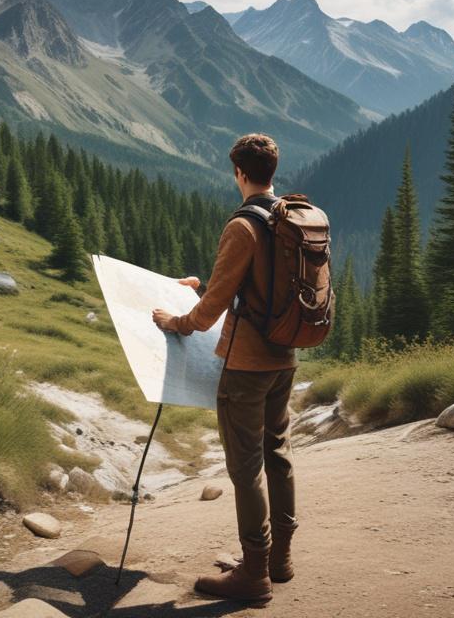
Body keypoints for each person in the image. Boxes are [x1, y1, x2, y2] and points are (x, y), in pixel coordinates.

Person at [152, 133, 297, 605]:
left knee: (246, 466)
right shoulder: (290, 218)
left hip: (248, 364)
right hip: (286, 356)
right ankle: (280, 560)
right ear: (272, 171)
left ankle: (253, 574)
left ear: (239, 173)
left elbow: (213, 305)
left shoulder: (244, 226)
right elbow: (260, 287)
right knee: (278, 452)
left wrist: (178, 321)